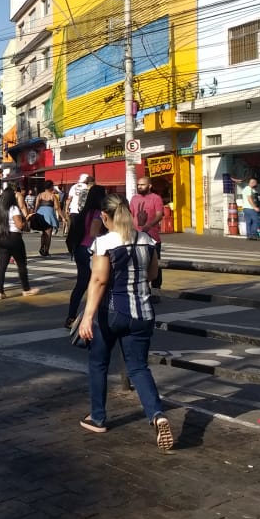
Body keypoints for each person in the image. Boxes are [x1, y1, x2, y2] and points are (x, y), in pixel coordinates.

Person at [77, 192, 173, 451]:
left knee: (98, 363)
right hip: (142, 313)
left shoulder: (104, 243)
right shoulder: (146, 240)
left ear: (105, 217)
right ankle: (156, 414)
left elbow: (98, 281)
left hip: (112, 312)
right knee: (139, 367)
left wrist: (87, 317)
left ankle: (97, 417)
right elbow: (153, 274)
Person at [65, 184, 107, 329]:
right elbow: (94, 233)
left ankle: (71, 316)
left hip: (80, 249)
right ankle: (94, 317)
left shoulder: (84, 212)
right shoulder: (98, 213)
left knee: (81, 285)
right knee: (97, 283)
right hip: (91, 251)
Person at [0, 186, 39, 300]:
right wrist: (27, 218)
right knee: (21, 264)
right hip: (13, 237)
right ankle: (26, 289)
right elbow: (19, 225)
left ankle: (0, 291)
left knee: (1, 265)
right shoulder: (13, 208)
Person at [131, 177, 165, 296]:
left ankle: (156, 290)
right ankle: (141, 290)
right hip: (137, 237)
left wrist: (149, 225)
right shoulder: (134, 199)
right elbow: (131, 215)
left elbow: (159, 215)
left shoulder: (156, 198)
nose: (139, 186)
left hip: (152, 237)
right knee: (138, 264)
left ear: (149, 185)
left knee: (155, 264)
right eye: (138, 184)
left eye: (142, 185)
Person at [34, 180, 64, 257]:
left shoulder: (40, 195)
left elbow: (36, 206)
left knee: (43, 233)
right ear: (51, 187)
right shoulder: (52, 196)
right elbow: (57, 208)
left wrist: (34, 214)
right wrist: (63, 217)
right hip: (49, 214)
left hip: (40, 213)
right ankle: (46, 250)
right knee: (48, 234)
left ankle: (41, 248)